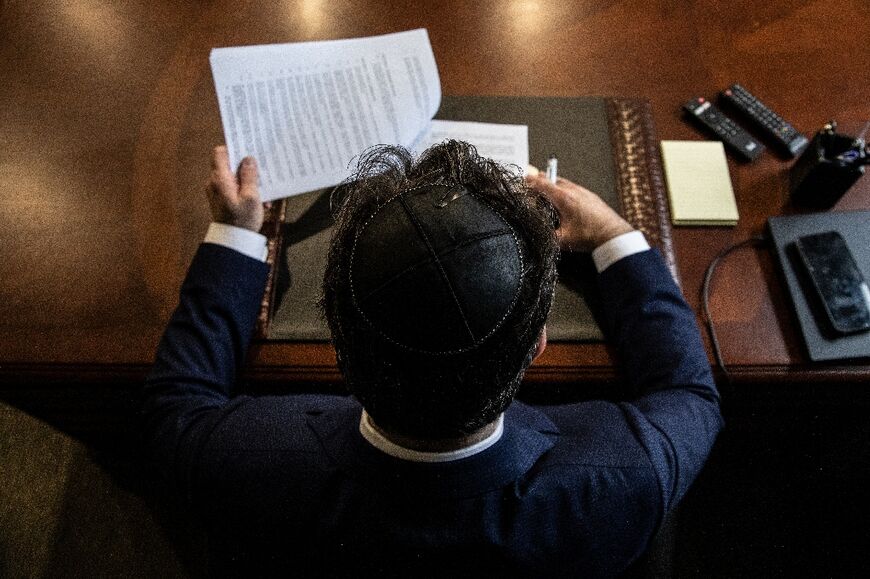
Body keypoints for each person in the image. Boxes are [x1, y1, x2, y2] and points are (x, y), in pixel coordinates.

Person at [142, 141, 722, 578]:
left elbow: (175, 407)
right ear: (537, 346)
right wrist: (615, 236)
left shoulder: (243, 461)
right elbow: (689, 394)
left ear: (337, 345)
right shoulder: (628, 475)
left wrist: (235, 236)